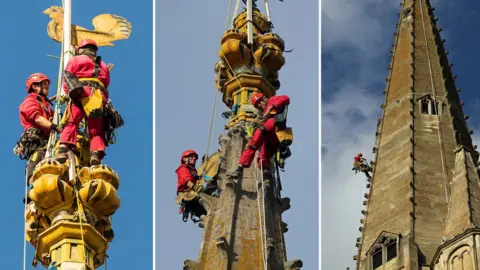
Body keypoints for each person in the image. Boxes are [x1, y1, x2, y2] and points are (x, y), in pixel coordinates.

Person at [56, 39, 110, 165]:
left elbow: (67, 79)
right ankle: (95, 154)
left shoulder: (76, 60)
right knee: (96, 129)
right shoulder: (104, 66)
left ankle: (64, 148)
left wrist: (71, 93)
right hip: (98, 96)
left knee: (71, 121)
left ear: (81, 49)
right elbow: (106, 84)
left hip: (81, 92)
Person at [229, 92, 290, 178]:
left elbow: (286, 97)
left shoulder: (271, 100)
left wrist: (271, 107)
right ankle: (260, 172)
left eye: (259, 102)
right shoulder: (263, 114)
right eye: (257, 106)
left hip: (275, 128)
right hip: (271, 138)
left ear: (264, 98)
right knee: (262, 154)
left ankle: (241, 168)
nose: (259, 106)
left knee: (255, 140)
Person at [16, 73, 61, 186]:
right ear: (35, 87)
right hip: (35, 141)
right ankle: (33, 188)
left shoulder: (45, 106)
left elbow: (59, 118)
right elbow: (37, 118)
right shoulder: (30, 101)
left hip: (45, 141)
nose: (47, 86)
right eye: (44, 84)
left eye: (47, 84)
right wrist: (54, 127)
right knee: (37, 158)